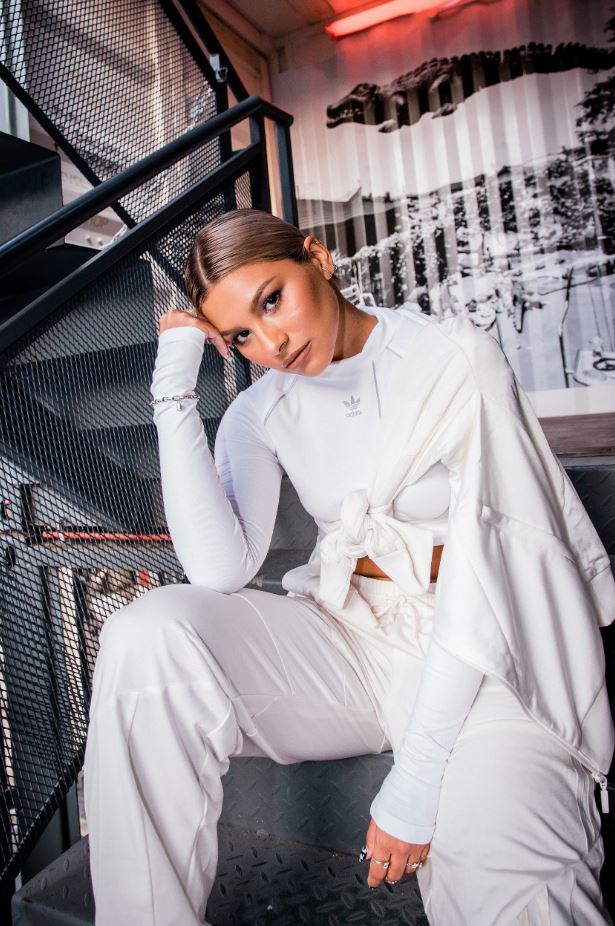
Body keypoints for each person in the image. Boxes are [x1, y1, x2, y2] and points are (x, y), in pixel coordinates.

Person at [83, 207, 615, 926]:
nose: (271, 342)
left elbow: (491, 577)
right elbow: (218, 570)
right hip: (355, 638)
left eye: (273, 299)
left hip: (489, 653)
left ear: (317, 258)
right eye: (241, 335)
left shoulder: (450, 358)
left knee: (518, 889)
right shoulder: (261, 409)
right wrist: (172, 384)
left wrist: (416, 781)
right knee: (147, 635)